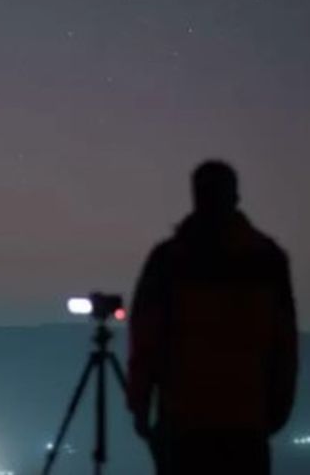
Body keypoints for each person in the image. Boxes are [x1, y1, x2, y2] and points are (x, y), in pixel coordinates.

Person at [127, 160, 298, 475]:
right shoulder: (266, 259)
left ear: (196, 197)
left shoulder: (169, 259)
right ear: (235, 197)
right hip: (246, 422)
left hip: (184, 420)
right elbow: (284, 343)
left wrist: (140, 405)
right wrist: (276, 410)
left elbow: (146, 339)